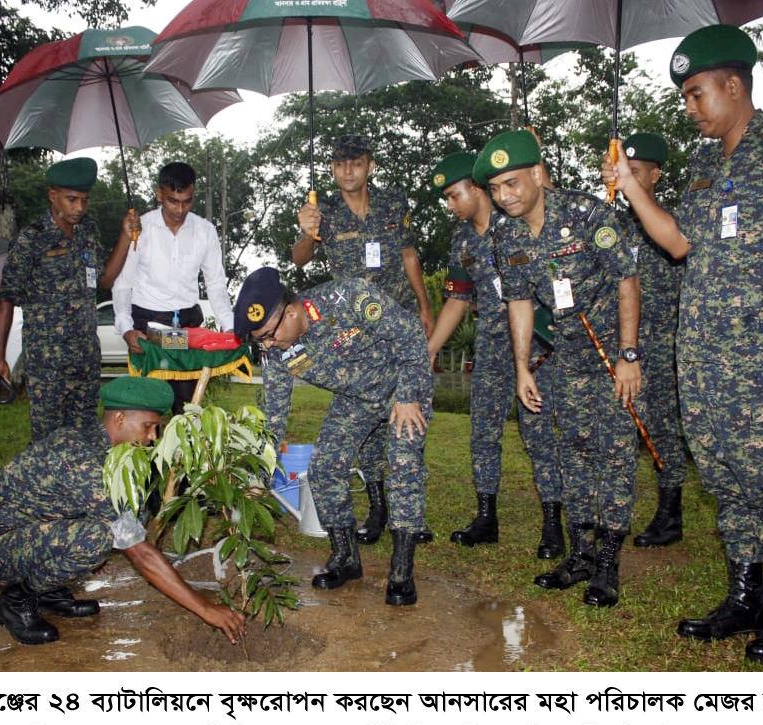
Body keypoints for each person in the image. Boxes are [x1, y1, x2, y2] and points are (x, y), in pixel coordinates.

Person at [602, 24, 763, 664]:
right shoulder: (705, 164)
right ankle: (744, 593)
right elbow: (678, 244)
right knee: (723, 473)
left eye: (696, 94)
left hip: (762, 347)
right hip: (700, 350)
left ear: (733, 86)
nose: (690, 108)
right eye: (685, 97)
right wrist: (632, 189)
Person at [481, 130, 641, 608]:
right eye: (494, 189)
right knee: (571, 450)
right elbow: (519, 301)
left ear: (536, 173)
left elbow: (627, 280)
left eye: (511, 183)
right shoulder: (504, 232)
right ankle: (581, 554)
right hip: (566, 353)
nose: (504, 196)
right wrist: (522, 367)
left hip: (610, 347)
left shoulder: (588, 213)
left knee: (613, 452)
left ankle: (608, 565)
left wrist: (628, 356)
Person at [0, 376, 246, 646]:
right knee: (94, 539)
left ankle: (46, 591)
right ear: (119, 419)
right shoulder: (83, 461)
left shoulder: (99, 442)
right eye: (147, 426)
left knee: (102, 534)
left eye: (156, 428)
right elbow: (140, 554)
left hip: (28, 533)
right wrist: (207, 609)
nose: (152, 437)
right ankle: (17, 600)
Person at [233, 267, 433, 606]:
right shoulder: (278, 354)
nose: (267, 344)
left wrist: (407, 395)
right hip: (356, 400)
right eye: (260, 340)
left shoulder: (349, 298)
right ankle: (346, 557)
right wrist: (259, 474)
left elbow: (410, 333)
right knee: (325, 467)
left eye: (269, 335)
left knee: (403, 467)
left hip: (402, 386)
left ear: (291, 311)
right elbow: (274, 417)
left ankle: (401, 570)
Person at [292, 135, 434, 545]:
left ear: (370, 166)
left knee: (410, 414)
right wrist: (307, 231)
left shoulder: (393, 204)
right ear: (332, 170)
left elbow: (409, 255)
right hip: (357, 333)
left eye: (355, 163)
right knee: (368, 423)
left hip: (399, 322)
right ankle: (377, 508)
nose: (347, 171)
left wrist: (424, 308)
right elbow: (300, 259)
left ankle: (411, 511)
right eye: (339, 164)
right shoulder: (324, 213)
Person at [425, 152, 563, 556]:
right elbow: (456, 300)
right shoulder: (464, 240)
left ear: (477, 187)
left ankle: (553, 524)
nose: (450, 205)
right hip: (490, 345)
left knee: (537, 434)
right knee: (483, 432)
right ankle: (486, 517)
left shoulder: (519, 221)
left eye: (453, 195)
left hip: (535, 345)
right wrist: (428, 351)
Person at [0, 157, 109, 442]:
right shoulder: (31, 239)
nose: (79, 208)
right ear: (52, 196)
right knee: (48, 440)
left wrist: (127, 239)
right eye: (71, 199)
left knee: (86, 437)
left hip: (86, 358)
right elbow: (6, 299)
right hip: (47, 362)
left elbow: (104, 279)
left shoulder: (88, 232)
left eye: (85, 200)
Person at [111, 161, 235, 415]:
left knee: (188, 409)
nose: (180, 209)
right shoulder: (138, 229)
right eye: (172, 201)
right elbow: (122, 286)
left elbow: (215, 284)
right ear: (159, 194)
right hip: (148, 327)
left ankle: (185, 455)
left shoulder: (205, 230)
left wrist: (230, 327)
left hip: (187, 327)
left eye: (187, 201)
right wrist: (126, 329)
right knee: (146, 410)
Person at [615, 132, 689, 547]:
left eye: (637, 172)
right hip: (627, 345)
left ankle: (670, 512)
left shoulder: (671, 223)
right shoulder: (616, 225)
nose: (630, 179)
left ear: (656, 174)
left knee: (663, 427)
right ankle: (616, 510)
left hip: (666, 347)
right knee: (623, 426)